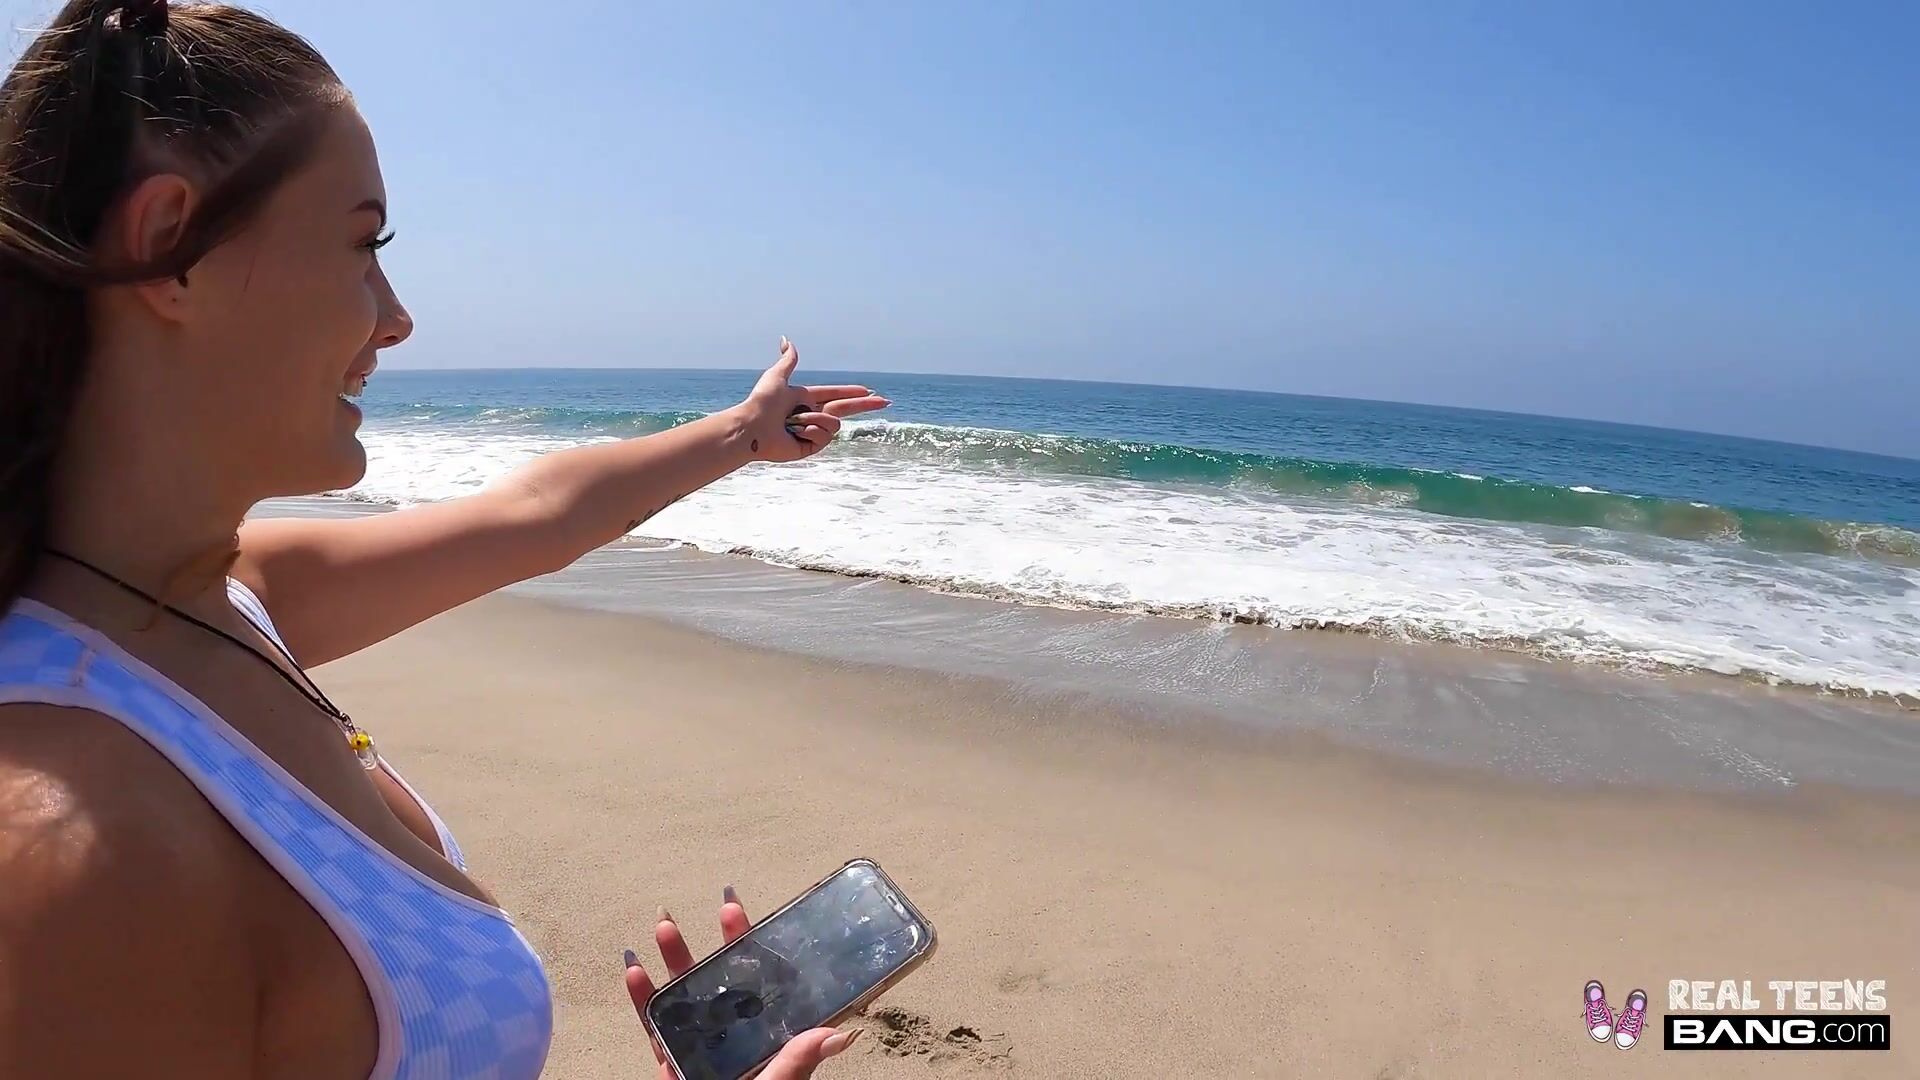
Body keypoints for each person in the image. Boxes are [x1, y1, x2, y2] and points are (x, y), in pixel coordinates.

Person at [0, 2, 889, 1076]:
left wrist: (744, 433)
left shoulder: (215, 597)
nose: (397, 315)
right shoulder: (80, 842)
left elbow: (534, 516)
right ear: (169, 249)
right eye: (362, 243)